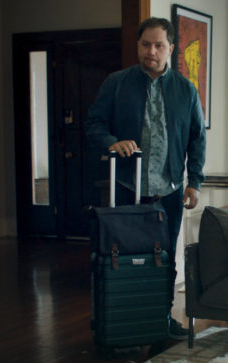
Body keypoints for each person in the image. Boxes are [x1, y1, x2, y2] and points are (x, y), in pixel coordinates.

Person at [86, 16, 206, 339]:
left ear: (171, 49)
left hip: (168, 192)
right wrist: (112, 142)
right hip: (125, 189)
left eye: (158, 45)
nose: (151, 51)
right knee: (122, 259)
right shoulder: (116, 83)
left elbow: (197, 139)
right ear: (138, 46)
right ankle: (122, 320)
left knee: (164, 259)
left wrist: (194, 181)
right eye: (145, 44)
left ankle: (161, 320)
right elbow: (93, 124)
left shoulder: (186, 90)